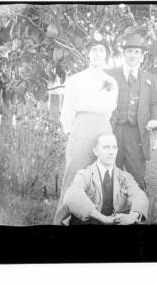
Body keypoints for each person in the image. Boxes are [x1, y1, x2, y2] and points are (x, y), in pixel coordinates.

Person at [54, 34, 118, 224]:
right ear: (88, 54)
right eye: (94, 50)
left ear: (106, 55)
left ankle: (93, 221)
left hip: (104, 129)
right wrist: (72, 132)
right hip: (82, 129)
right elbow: (67, 110)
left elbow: (110, 109)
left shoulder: (111, 82)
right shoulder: (76, 79)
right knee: (74, 176)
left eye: (101, 51)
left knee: (101, 176)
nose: (97, 54)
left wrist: (102, 129)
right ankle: (60, 221)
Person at [54, 133, 149, 225]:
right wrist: (103, 219)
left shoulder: (125, 176)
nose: (111, 152)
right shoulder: (85, 174)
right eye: (106, 147)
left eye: (114, 147)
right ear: (95, 151)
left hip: (115, 221)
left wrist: (132, 216)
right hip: (91, 221)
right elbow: (72, 195)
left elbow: (139, 195)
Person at [107, 33, 157, 189]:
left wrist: (154, 118)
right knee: (110, 171)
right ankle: (108, 210)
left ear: (142, 56)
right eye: (129, 51)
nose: (133, 55)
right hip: (113, 130)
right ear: (124, 53)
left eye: (137, 52)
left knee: (138, 175)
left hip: (136, 133)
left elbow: (155, 103)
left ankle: (137, 211)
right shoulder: (110, 75)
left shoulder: (149, 78)